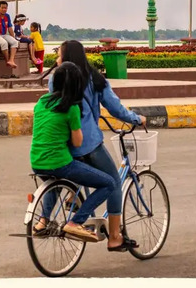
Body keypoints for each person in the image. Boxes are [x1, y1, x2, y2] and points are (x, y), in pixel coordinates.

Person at [48, 40, 145, 252]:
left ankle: (64, 203)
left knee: (63, 172)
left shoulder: (55, 79)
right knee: (113, 182)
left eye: (60, 55)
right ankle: (115, 237)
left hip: (64, 142)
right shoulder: (95, 79)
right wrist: (136, 119)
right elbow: (115, 108)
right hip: (88, 143)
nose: (57, 59)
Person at [30, 62, 118, 243]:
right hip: (60, 163)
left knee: (54, 181)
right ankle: (76, 222)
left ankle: (42, 222)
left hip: (37, 162)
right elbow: (77, 142)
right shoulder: (71, 108)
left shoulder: (41, 102)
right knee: (109, 183)